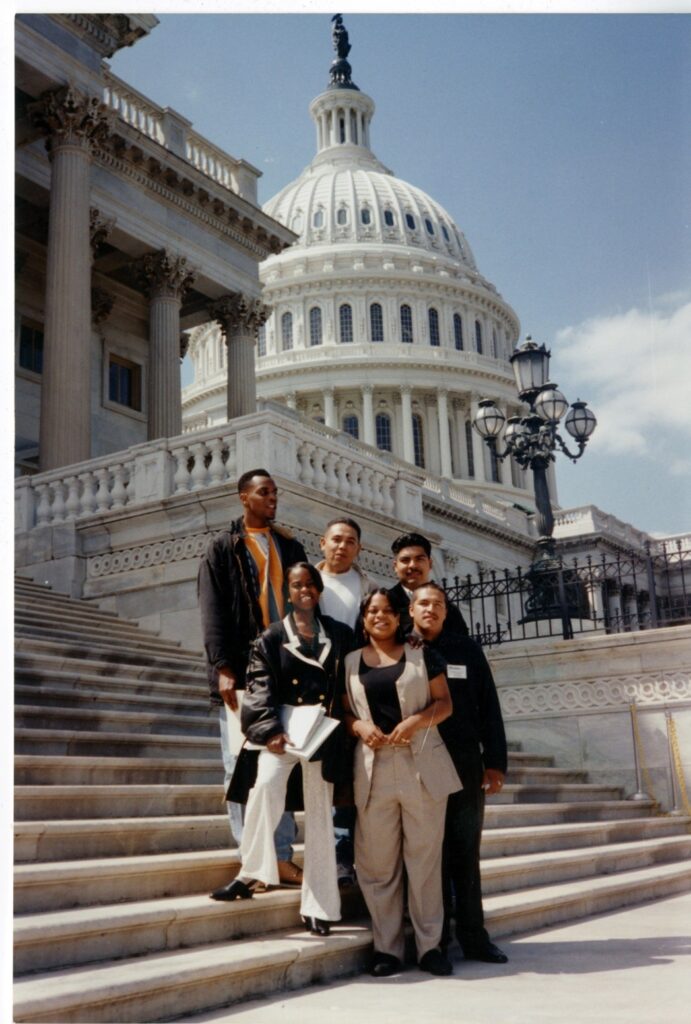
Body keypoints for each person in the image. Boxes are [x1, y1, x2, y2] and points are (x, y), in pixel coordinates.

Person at [221, 563, 355, 936]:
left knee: (318, 815)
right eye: (297, 585)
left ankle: (319, 906)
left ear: (318, 589)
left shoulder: (342, 635)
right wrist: (269, 731)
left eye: (311, 584)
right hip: (284, 735)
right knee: (263, 787)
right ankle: (251, 873)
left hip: (323, 737)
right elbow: (259, 688)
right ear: (289, 592)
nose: (305, 590)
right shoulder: (271, 637)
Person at [198, 468, 307, 899]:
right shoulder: (223, 548)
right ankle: (252, 859)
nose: (272, 498)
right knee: (240, 766)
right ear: (243, 497)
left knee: (279, 763)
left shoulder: (289, 545)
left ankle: (279, 855)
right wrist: (222, 667)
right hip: (243, 670)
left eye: (275, 492)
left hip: (286, 668)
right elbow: (212, 614)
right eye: (264, 492)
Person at [343, 589, 461, 978]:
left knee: (424, 860)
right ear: (364, 619)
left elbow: (445, 704)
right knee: (378, 864)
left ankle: (430, 948)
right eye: (372, 611)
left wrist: (415, 721)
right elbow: (344, 711)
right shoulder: (349, 663)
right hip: (373, 769)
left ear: (399, 617)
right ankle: (387, 950)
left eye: (387, 611)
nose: (380, 617)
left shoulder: (422, 654)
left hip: (420, 764)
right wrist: (359, 725)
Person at [410, 582, 509, 964]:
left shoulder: (467, 650)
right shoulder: (400, 648)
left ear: (446, 611)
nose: (430, 609)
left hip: (465, 760)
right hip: (419, 761)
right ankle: (433, 939)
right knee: (427, 852)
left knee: (465, 850)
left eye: (437, 603)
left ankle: (474, 936)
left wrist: (496, 761)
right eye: (422, 603)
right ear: (411, 610)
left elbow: (489, 705)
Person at [316, 516, 372, 885]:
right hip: (312, 685)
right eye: (336, 539)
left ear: (359, 548)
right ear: (323, 543)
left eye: (350, 541)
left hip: (354, 686)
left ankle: (342, 851)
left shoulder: (370, 587)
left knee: (348, 774)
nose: (342, 546)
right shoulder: (307, 582)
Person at [389, 532, 469, 638]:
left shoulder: (450, 610)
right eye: (405, 560)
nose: (412, 565)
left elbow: (464, 648)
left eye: (419, 559)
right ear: (395, 566)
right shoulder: (384, 604)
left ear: (430, 564)